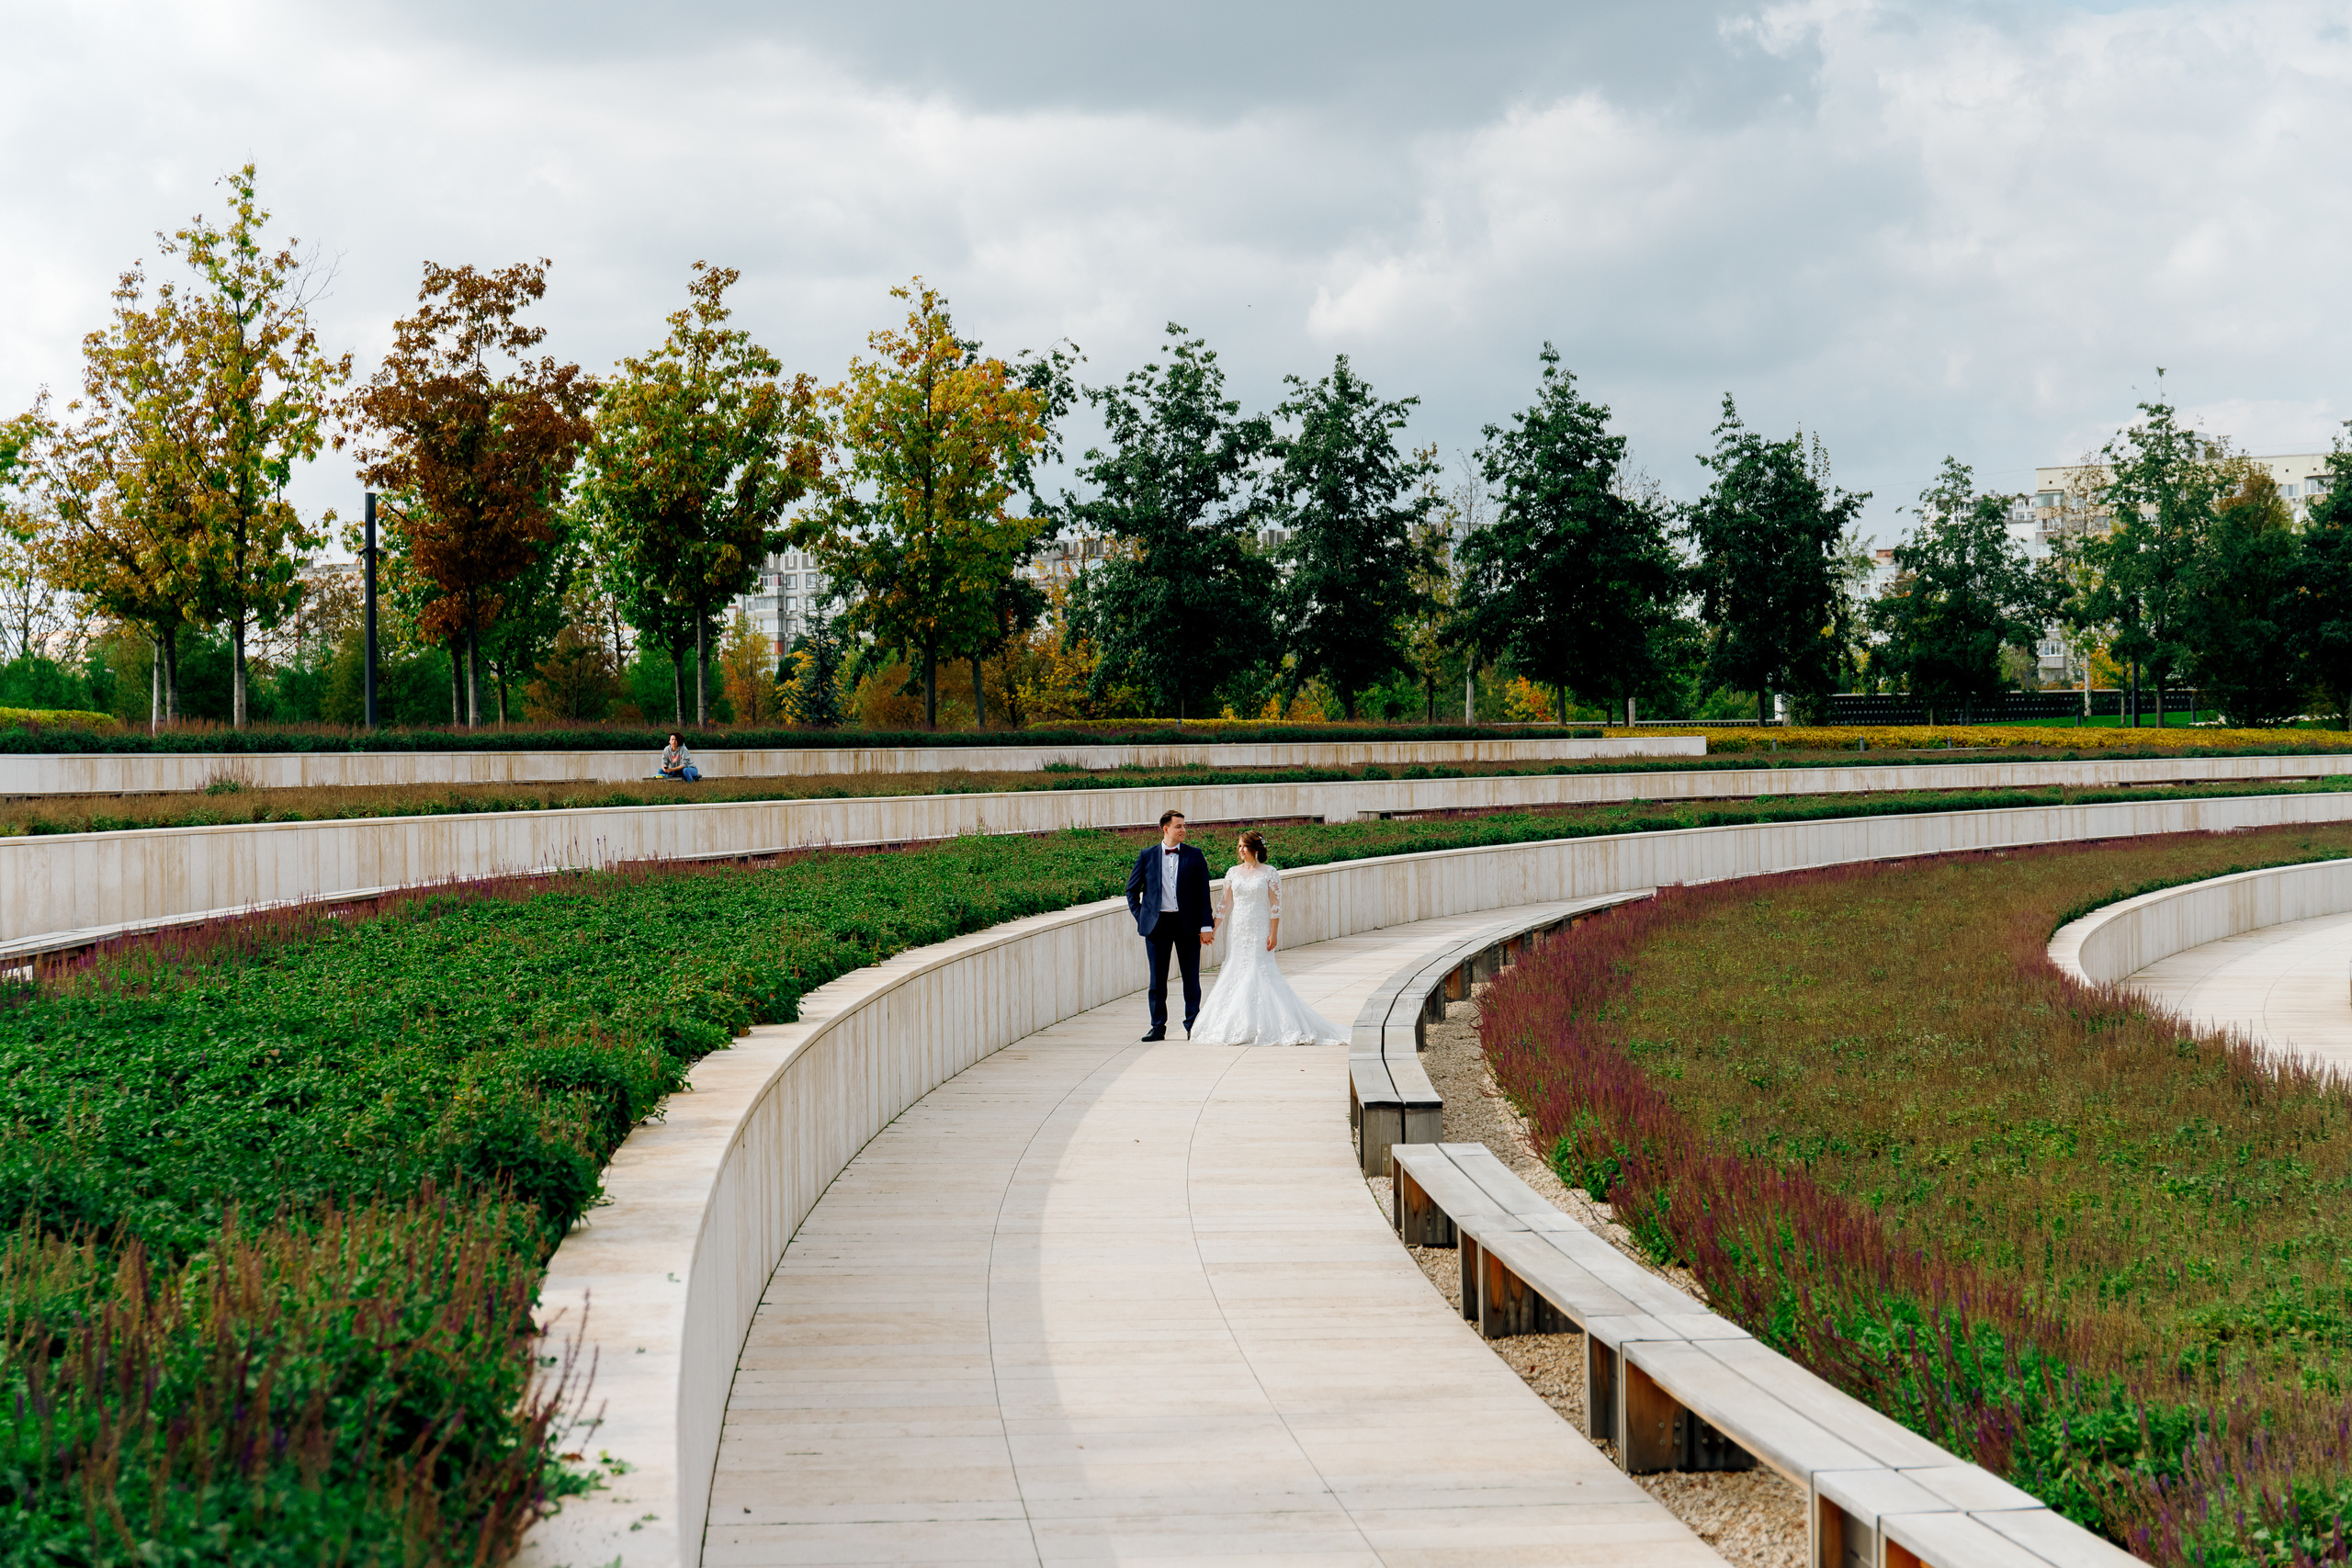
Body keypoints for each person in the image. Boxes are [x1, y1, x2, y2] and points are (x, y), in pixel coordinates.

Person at [1189, 829, 1345, 1046]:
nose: (1240, 850)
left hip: (1260, 928)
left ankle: (1268, 1025)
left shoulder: (1269, 873)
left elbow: (1275, 905)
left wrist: (1273, 932)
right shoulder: (1233, 872)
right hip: (1237, 929)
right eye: (1239, 846)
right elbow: (1225, 904)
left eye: (1244, 846)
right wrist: (1213, 928)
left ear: (1256, 848)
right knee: (1235, 968)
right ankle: (1239, 1024)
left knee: (1259, 970)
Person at [1125, 808, 1214, 1041]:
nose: (1184, 830)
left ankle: (1193, 1025)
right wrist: (1142, 916)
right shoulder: (1147, 855)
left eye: (1184, 826)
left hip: (1188, 925)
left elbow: (1204, 893)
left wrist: (1206, 926)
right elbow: (1131, 891)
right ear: (1166, 829)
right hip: (1157, 925)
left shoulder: (1195, 855)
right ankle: (1157, 1026)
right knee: (1157, 980)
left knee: (1191, 978)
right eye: (1179, 826)